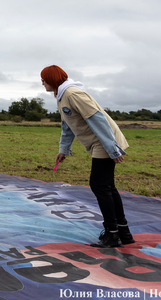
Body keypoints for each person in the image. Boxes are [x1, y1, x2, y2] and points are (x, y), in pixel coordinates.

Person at [42, 65, 134, 248]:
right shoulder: (62, 97)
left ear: (52, 79)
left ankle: (112, 234)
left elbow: (97, 118)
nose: (42, 83)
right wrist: (64, 149)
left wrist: (112, 148)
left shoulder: (72, 94)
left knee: (99, 185)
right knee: (107, 186)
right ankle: (123, 231)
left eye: (43, 79)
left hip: (104, 141)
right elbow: (68, 125)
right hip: (99, 142)